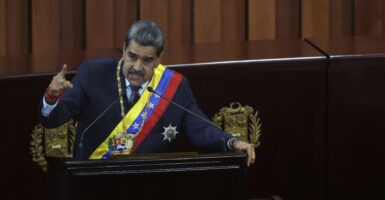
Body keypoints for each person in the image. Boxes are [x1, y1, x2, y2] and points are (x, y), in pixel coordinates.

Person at [39, 20, 255, 166]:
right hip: (94, 181)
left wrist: (232, 142)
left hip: (151, 186)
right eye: (132, 56)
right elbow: (53, 120)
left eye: (147, 60)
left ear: (160, 58)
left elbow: (200, 127)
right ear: (123, 49)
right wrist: (51, 96)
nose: (137, 67)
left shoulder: (175, 87)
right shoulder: (92, 73)